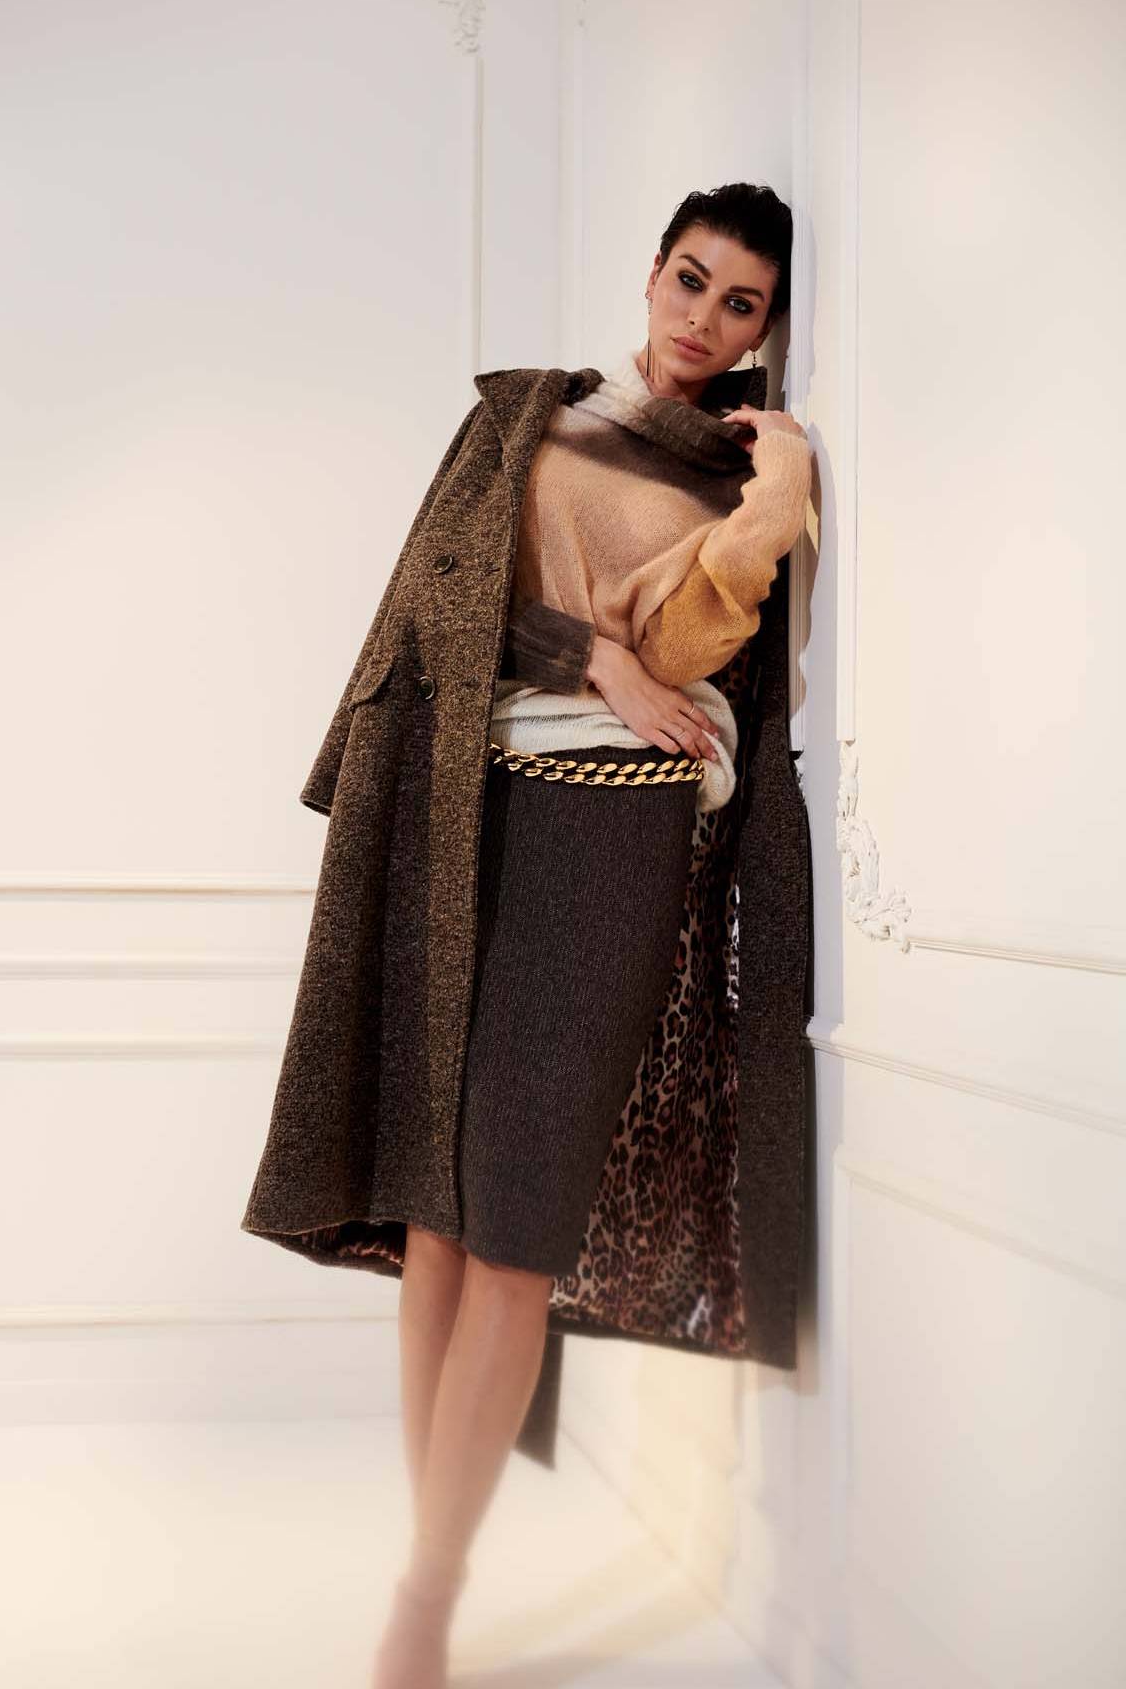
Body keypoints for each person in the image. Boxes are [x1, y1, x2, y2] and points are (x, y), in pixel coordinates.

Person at [240, 183, 813, 1689]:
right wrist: (594, 661)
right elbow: (440, 607)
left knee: (512, 1240)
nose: (702, 319)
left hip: (618, 838)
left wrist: (780, 492)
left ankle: (427, 1596)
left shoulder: (738, 476)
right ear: (651, 274)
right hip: (470, 820)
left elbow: (698, 642)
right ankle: (425, 1563)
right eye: (689, 280)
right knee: (436, 1213)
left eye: (741, 303)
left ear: (765, 327)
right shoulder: (528, 423)